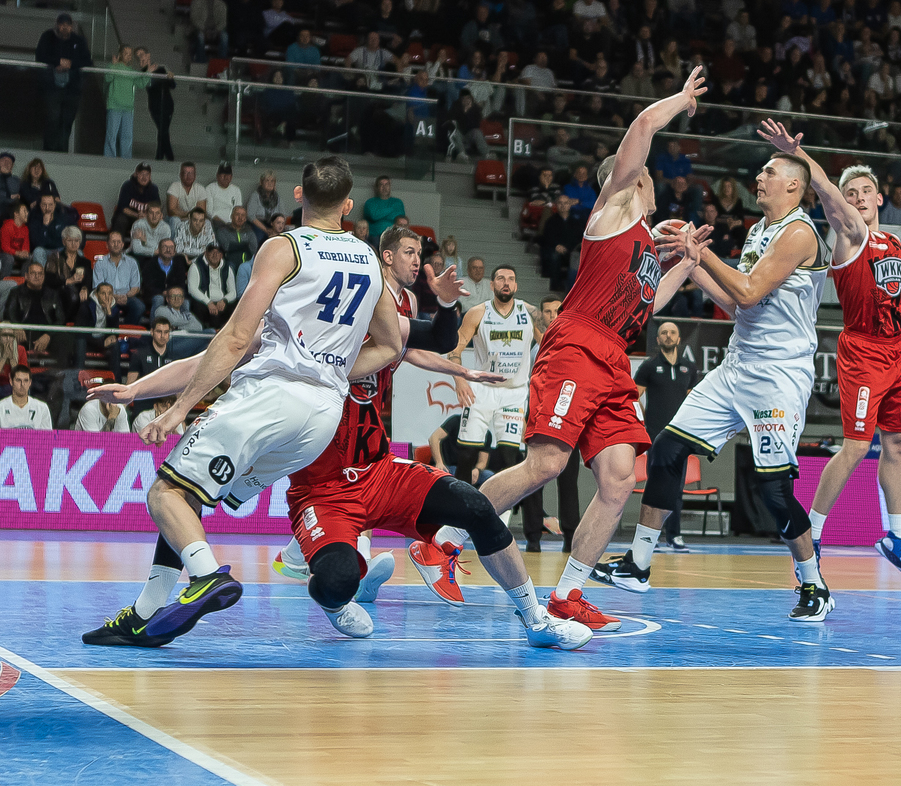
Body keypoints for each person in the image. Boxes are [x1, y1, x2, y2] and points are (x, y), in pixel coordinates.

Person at [89, 259, 589, 652]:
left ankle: (536, 619)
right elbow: (205, 361)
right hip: (323, 492)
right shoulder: (288, 340)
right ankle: (334, 596)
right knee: (331, 577)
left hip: (380, 472)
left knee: (476, 506)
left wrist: (444, 304)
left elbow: (438, 337)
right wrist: (138, 390)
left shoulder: (383, 334)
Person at [81, 156, 404, 646]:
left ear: (298, 195)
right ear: (349, 205)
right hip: (320, 419)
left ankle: (207, 577)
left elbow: (233, 340)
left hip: (270, 399)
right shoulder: (368, 261)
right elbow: (391, 346)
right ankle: (143, 616)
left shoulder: (284, 248)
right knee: (187, 496)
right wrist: (137, 390)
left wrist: (179, 409)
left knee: (164, 494)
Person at [431, 69, 709, 633]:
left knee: (619, 478)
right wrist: (680, 101)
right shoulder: (613, 211)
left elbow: (647, 306)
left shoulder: (645, 246)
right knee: (547, 463)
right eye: (645, 173)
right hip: (577, 344)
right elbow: (641, 126)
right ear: (631, 179)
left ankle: (568, 593)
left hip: (614, 356)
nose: (651, 178)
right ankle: (444, 542)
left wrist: (687, 264)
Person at [593, 131, 840, 622]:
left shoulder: (800, 233)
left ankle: (814, 584)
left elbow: (748, 291)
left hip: (778, 376)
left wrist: (700, 252)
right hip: (737, 365)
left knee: (773, 492)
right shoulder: (758, 231)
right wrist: (689, 264)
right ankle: (638, 563)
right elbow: (735, 304)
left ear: (794, 186)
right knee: (666, 450)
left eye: (769, 172)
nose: (759, 177)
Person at [746, 134, 901, 581]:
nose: (859, 198)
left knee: (898, 445)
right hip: (863, 352)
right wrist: (798, 154)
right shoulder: (849, 233)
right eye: (851, 193)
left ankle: (898, 538)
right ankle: (812, 536)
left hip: (899, 350)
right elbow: (824, 189)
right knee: (857, 447)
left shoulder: (893, 243)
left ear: (880, 198)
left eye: (866, 191)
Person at [448, 265, 545, 538]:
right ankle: (460, 517)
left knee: (509, 457)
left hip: (514, 392)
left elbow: (550, 345)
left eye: (511, 279)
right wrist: (459, 380)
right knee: (466, 455)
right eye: (501, 278)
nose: (506, 283)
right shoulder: (478, 312)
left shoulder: (529, 313)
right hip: (482, 389)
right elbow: (455, 348)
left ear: (516, 285)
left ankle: (499, 518)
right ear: (492, 285)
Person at [634, 321, 700, 552]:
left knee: (676, 488)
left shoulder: (689, 368)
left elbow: (693, 401)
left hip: (679, 435)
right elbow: (634, 396)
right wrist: (644, 420)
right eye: (664, 332)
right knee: (654, 485)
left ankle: (674, 535)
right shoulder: (649, 366)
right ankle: (651, 537)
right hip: (655, 435)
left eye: (673, 332)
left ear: (679, 339)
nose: (668, 336)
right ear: (658, 339)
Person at [36, 13, 90, 151]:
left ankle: (62, 152)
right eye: (62, 24)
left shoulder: (79, 40)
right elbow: (40, 56)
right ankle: (49, 151)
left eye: (68, 25)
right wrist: (58, 62)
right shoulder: (48, 36)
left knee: (67, 121)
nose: (65, 27)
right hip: (52, 87)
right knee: (52, 119)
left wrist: (70, 64)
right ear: (57, 25)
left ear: (72, 26)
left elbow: (87, 61)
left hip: (72, 89)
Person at [103, 45, 151, 158]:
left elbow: (141, 84)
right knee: (112, 135)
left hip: (128, 108)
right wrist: (113, 66)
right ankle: (109, 159)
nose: (129, 56)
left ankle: (126, 160)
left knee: (127, 137)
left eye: (130, 54)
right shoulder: (114, 66)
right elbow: (108, 78)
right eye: (126, 53)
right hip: (114, 105)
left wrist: (148, 72)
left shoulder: (132, 72)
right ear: (120, 55)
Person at [91, 231, 146, 325]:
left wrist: (125, 296)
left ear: (122, 244)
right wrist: (114, 297)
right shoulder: (100, 263)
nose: (116, 244)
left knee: (139, 307)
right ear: (107, 245)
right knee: (106, 307)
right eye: (113, 242)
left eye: (118, 242)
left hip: (127, 297)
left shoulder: (132, 262)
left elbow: (135, 287)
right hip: (107, 297)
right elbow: (98, 287)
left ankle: (127, 330)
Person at [113, 162, 160, 237]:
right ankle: (117, 243)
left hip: (146, 218)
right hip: (129, 217)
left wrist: (146, 216)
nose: (144, 177)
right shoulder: (127, 186)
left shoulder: (153, 189)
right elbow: (123, 208)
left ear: (150, 176)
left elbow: (157, 208)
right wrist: (137, 215)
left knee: (156, 222)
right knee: (120, 220)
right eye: (142, 174)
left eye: (147, 174)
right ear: (136, 174)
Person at [166, 162, 207, 231]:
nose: (189, 176)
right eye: (186, 173)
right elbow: (172, 211)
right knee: (175, 220)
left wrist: (184, 214)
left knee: (207, 222)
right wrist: (190, 214)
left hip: (194, 219)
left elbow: (201, 212)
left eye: (191, 173)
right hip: (177, 219)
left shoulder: (200, 189)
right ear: (180, 175)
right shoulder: (174, 186)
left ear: (195, 175)